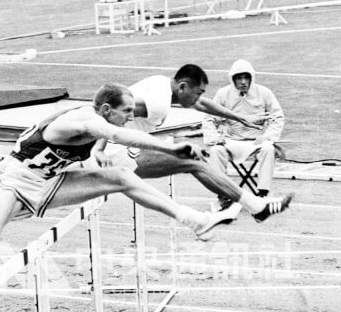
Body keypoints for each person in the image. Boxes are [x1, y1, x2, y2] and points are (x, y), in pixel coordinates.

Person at [0, 83, 238, 252]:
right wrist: (170, 146)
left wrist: (102, 157)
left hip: (51, 181)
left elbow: (112, 138)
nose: (132, 116)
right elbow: (117, 134)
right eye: (128, 110)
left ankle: (192, 219)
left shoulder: (100, 120)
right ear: (105, 109)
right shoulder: (79, 121)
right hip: (17, 180)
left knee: (120, 177)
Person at [89, 64, 292, 223]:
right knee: (193, 160)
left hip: (126, 146)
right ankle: (254, 206)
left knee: (196, 159)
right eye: (198, 92)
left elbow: (203, 104)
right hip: (116, 154)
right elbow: (112, 113)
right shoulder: (158, 103)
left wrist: (238, 117)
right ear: (183, 87)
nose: (199, 98)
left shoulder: (165, 85)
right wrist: (99, 149)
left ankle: (251, 205)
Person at [203, 59, 284, 211]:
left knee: (269, 149)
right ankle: (223, 196)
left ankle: (262, 195)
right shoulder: (223, 94)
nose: (243, 82)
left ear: (251, 78)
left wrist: (268, 136)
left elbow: (277, 117)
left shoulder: (264, 93)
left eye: (246, 77)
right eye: (239, 78)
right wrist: (215, 138)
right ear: (233, 79)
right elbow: (209, 117)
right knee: (215, 151)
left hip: (257, 141)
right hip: (231, 141)